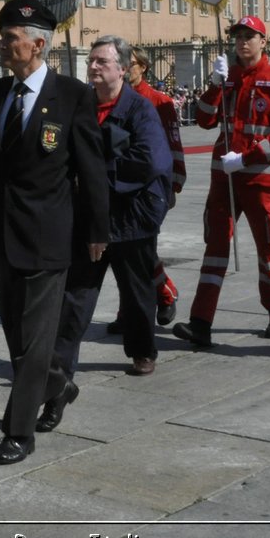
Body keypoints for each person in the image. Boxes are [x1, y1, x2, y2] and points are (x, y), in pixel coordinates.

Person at [0, 0, 108, 463]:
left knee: (36, 339)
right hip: (2, 234)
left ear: (38, 44)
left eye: (11, 40)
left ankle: (18, 431)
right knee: (18, 339)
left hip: (48, 235)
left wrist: (98, 229)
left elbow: (92, 168)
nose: (2, 46)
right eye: (2, 38)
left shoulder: (73, 96)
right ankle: (58, 385)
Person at [46, 36, 173, 408]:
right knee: (76, 295)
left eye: (102, 61)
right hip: (89, 217)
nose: (94, 67)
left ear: (122, 68)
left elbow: (150, 160)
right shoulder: (80, 104)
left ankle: (142, 350)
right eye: (91, 61)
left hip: (131, 216)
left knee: (136, 292)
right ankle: (60, 366)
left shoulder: (140, 109)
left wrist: (96, 174)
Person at [173, 15, 270, 348]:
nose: (242, 42)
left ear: (263, 41)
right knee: (215, 249)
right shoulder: (227, 78)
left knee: (269, 249)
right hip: (223, 178)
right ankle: (201, 321)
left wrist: (248, 158)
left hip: (259, 178)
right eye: (238, 36)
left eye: (249, 36)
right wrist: (214, 84)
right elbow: (202, 120)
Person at [105, 47, 184, 332]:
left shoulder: (158, 100)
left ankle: (164, 293)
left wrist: (175, 182)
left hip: (152, 187)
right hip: (121, 184)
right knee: (122, 249)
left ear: (144, 68)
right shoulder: (114, 98)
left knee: (139, 248)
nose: (127, 68)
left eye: (132, 64)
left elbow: (173, 142)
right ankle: (130, 309)